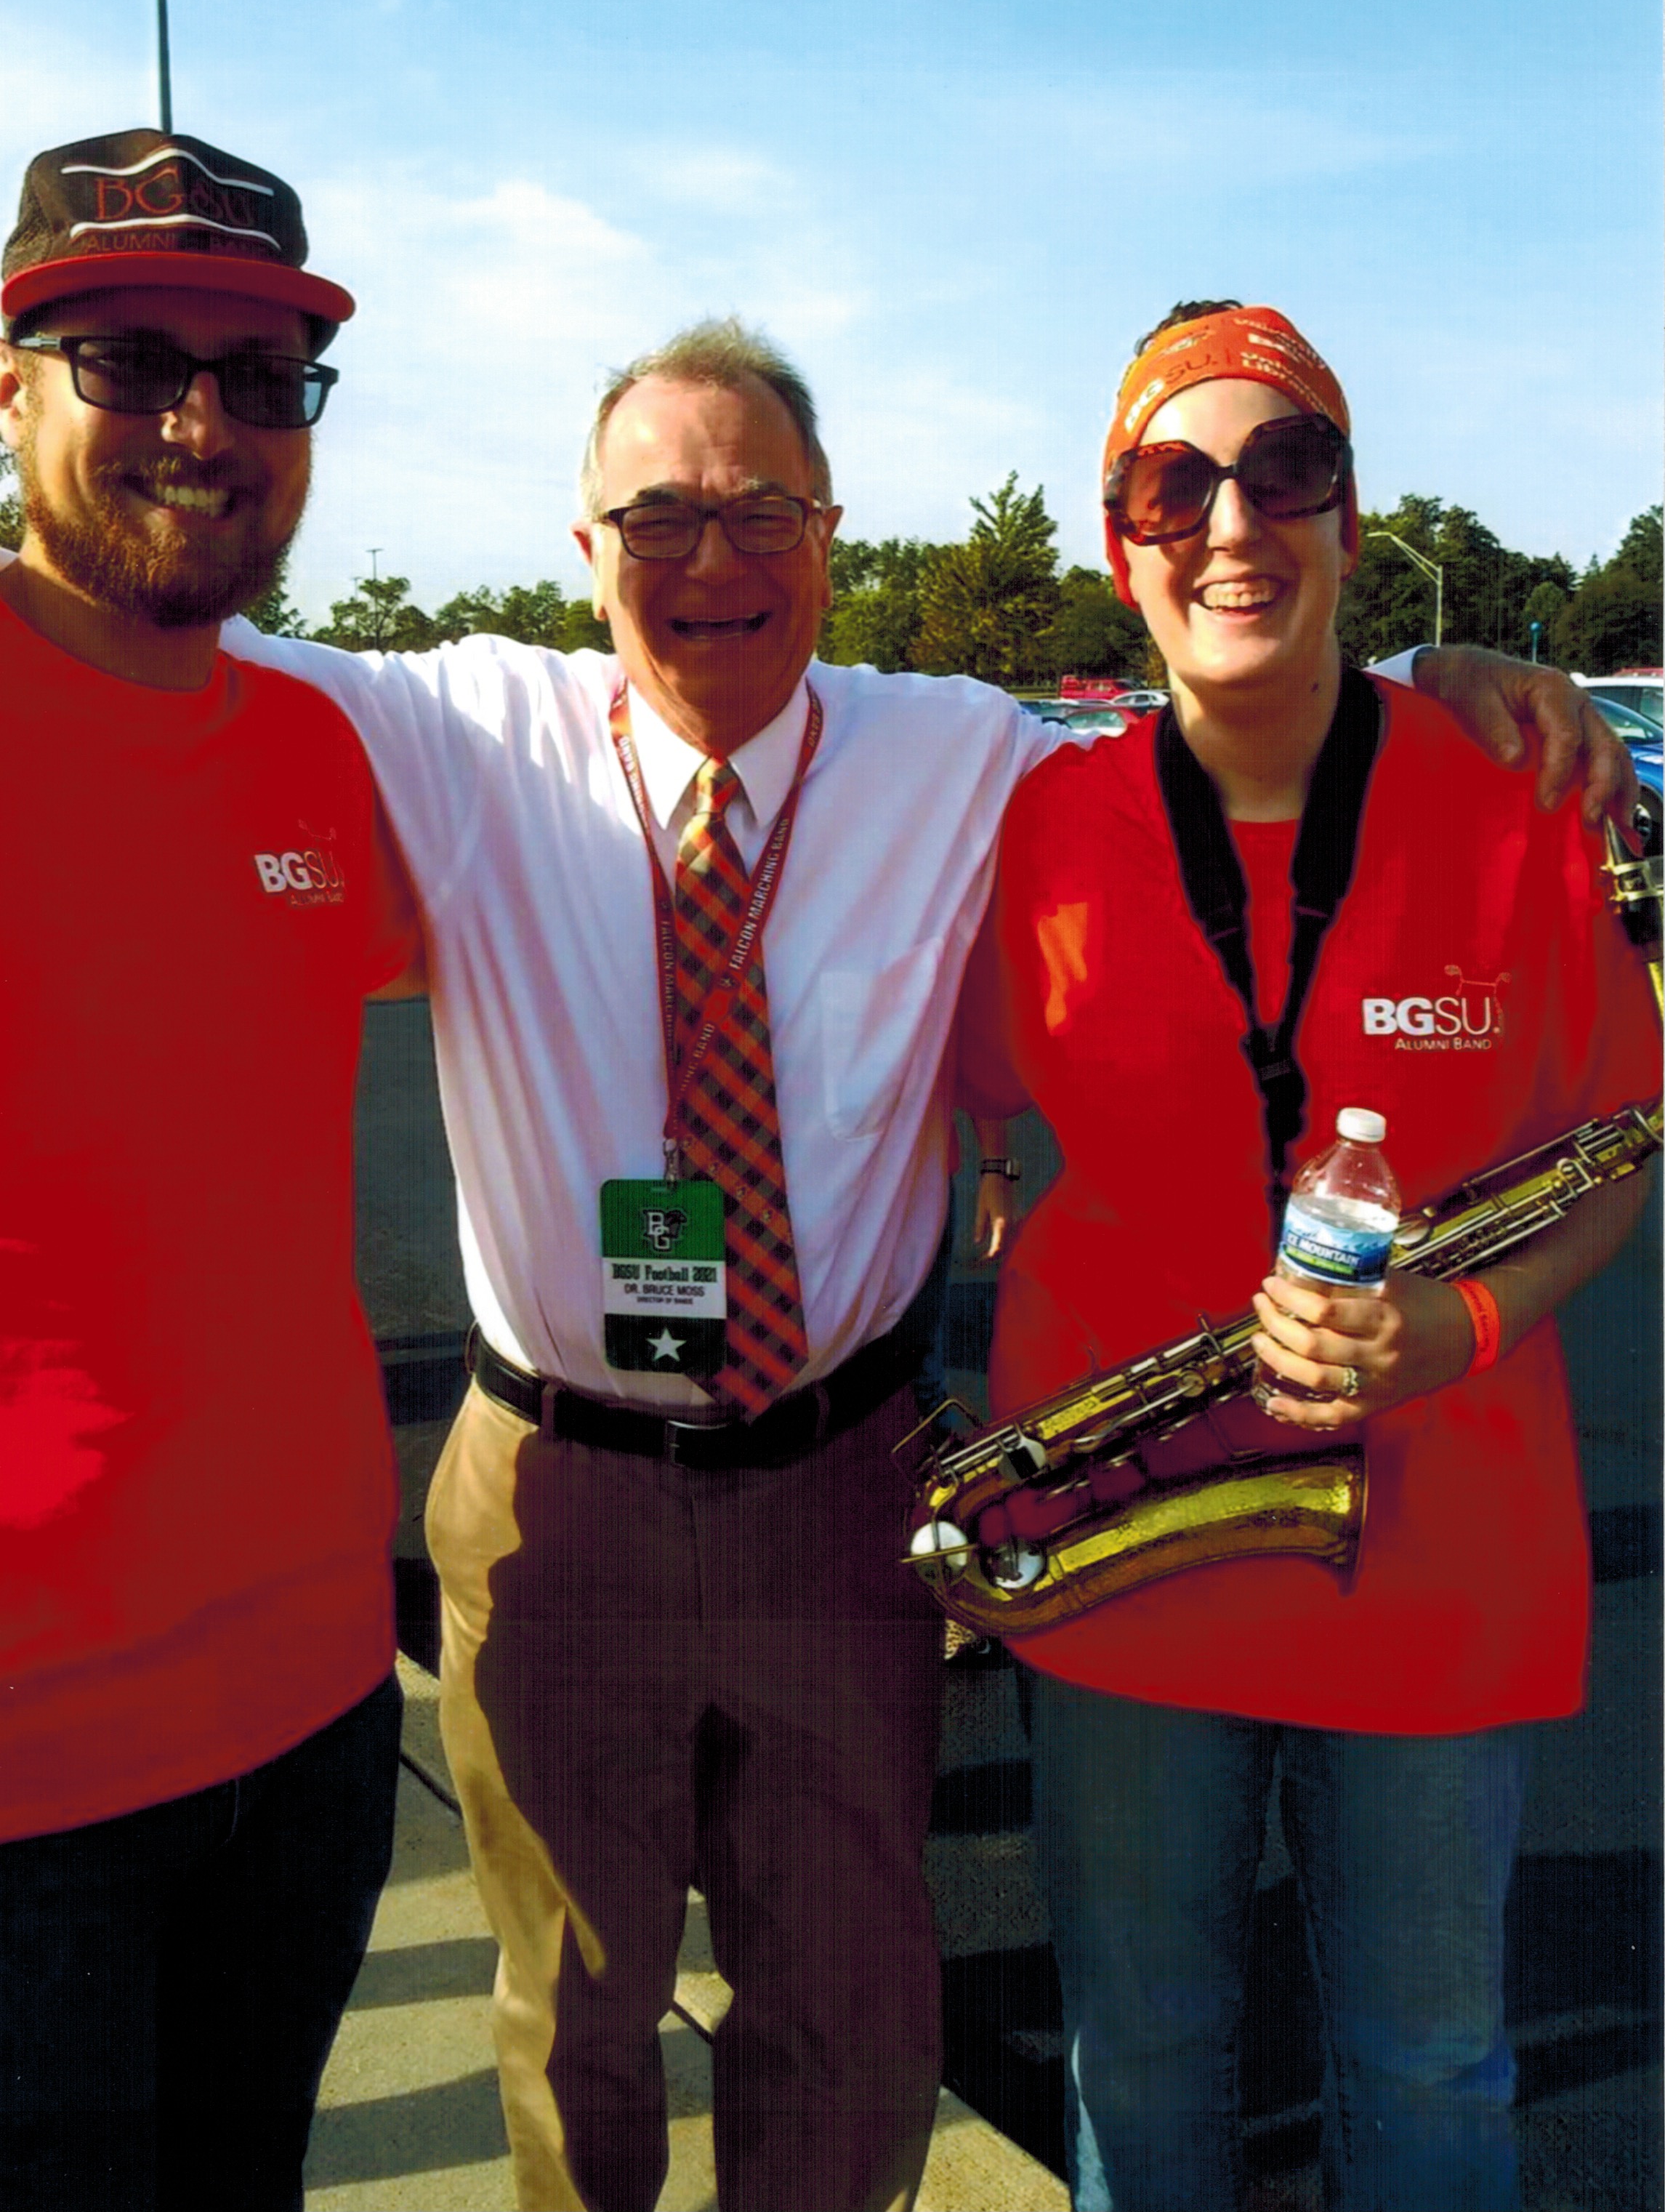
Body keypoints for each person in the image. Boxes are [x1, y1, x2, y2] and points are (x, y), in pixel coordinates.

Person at [217, 313, 1631, 2212]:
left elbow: (1247, 704)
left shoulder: (959, 757)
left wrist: (1452, 669)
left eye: (762, 510)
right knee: (577, 2009)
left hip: (853, 1481)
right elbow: (150, 644)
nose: (709, 558)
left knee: (864, 2003)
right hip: (571, 1491)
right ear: (580, 548)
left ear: (829, 533)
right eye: (656, 516)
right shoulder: (471, 727)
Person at [961, 301, 1658, 2212]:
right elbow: (923, 1102)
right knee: (1146, 2062)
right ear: (1118, 545)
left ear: (1351, 522)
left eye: (1286, 474)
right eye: (1169, 485)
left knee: (1426, 2066)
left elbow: (1610, 1151)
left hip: (1430, 1553)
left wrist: (1463, 1321)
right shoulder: (1037, 827)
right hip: (1127, 1557)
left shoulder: (1509, 802)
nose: (1230, 525)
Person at [0, 128, 419, 2212]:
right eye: (130, 358)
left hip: (321, 1712)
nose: (202, 424)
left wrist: (1415, 698)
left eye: (264, 379)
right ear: (11, 387)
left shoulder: (315, 756)